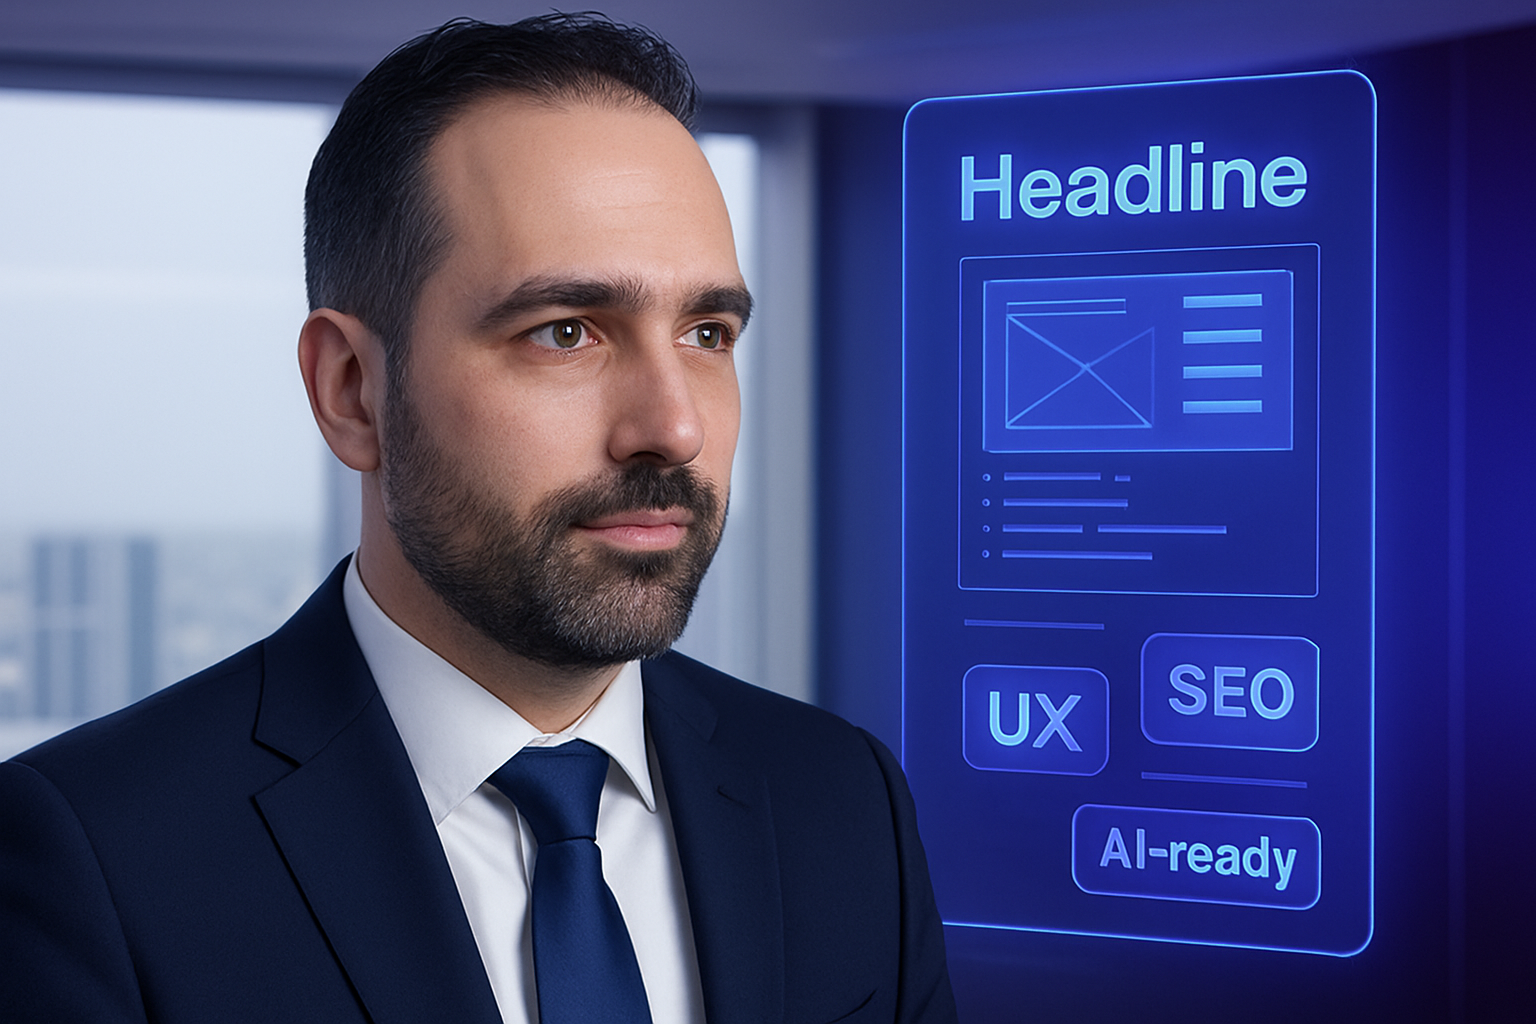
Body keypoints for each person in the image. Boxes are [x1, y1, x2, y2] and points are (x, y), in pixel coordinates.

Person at [0, 14, 957, 1023]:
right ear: (354, 391)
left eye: (707, 331)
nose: (672, 426)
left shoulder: (843, 799)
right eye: (565, 331)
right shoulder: (94, 860)